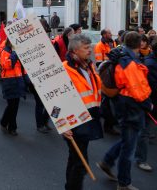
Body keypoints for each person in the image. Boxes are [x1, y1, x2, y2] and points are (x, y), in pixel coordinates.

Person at [97, 32, 153, 190]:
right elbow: (137, 87)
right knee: (129, 147)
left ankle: (107, 161)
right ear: (139, 43)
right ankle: (123, 183)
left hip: (125, 103)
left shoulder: (122, 56)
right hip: (132, 106)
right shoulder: (129, 62)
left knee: (128, 139)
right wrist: (148, 104)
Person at [62, 34, 103, 190]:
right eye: (86, 48)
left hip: (89, 117)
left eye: (90, 46)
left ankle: (69, 186)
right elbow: (55, 100)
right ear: (74, 51)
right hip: (74, 121)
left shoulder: (89, 66)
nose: (90, 50)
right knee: (80, 162)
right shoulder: (65, 69)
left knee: (75, 158)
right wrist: (63, 124)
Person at [0, 38, 26, 136]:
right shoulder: (5, 51)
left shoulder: (16, 51)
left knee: (14, 106)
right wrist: (14, 54)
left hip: (17, 80)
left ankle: (5, 123)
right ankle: (11, 127)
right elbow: (7, 65)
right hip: (9, 81)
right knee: (12, 106)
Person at [138, 37, 157, 172]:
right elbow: (151, 86)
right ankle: (141, 159)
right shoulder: (150, 64)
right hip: (147, 102)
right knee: (141, 132)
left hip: (149, 101)